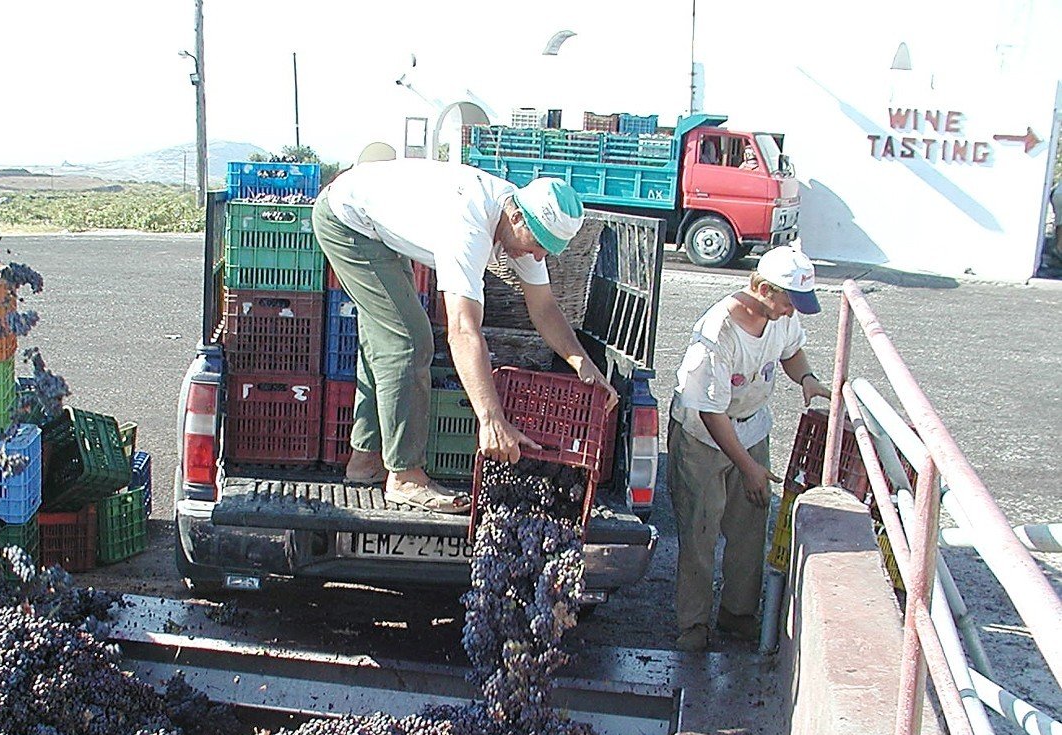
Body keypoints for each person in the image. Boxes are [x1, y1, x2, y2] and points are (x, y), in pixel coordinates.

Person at [313, 160, 617, 514]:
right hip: (347, 221)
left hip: (376, 222)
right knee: (409, 342)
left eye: (548, 249)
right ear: (517, 217)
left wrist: (583, 365)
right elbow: (463, 330)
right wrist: (491, 421)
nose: (538, 255)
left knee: (389, 337)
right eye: (538, 244)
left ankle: (365, 461)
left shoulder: (520, 221)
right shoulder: (468, 226)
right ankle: (405, 477)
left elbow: (544, 308)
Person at [667, 243, 832, 652]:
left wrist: (807, 378)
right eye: (787, 301)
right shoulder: (718, 332)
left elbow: (792, 351)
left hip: (752, 427)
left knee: (750, 527)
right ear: (761, 288)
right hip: (704, 439)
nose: (791, 311)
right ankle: (693, 625)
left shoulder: (780, 319)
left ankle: (738, 615)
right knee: (700, 529)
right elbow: (710, 412)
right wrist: (748, 467)